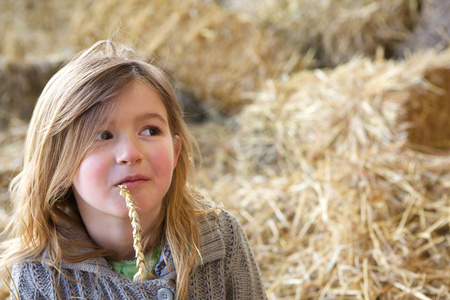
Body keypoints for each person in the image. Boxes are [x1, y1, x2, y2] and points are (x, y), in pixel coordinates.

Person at [0, 40, 266, 300]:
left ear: (175, 152)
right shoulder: (40, 276)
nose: (130, 154)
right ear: (58, 162)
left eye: (150, 130)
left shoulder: (219, 238)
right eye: (103, 135)